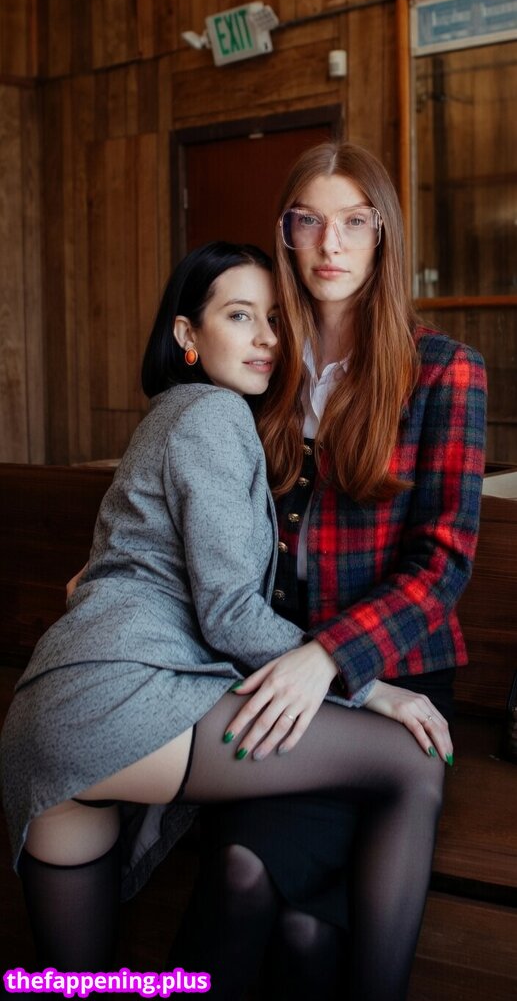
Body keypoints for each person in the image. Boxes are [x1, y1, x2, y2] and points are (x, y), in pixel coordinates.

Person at [0, 236, 471, 998]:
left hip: (46, 717)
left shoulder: (170, 415)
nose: (265, 339)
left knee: (78, 985)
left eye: (276, 320)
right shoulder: (214, 414)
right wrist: (371, 687)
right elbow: (228, 615)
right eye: (239, 316)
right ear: (187, 333)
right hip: (117, 705)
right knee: (410, 758)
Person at [164, 142, 488, 1000]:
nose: (329, 244)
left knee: (308, 936)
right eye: (307, 221)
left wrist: (328, 658)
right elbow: (188, 499)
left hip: (396, 677)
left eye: (353, 222)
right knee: (241, 875)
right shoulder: (260, 366)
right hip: (275, 667)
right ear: (284, 233)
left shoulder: (442, 369)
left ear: (382, 235)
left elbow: (442, 562)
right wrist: (117, 575)